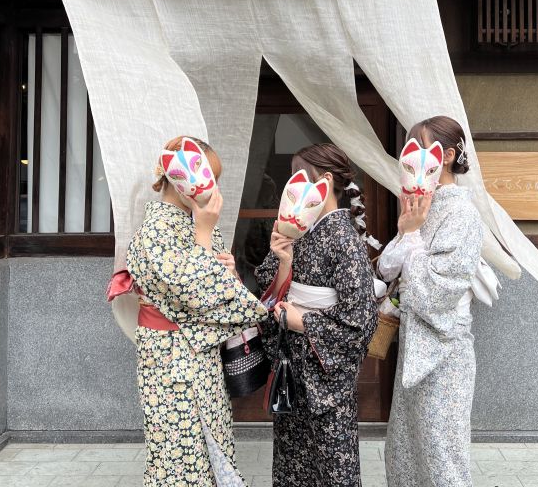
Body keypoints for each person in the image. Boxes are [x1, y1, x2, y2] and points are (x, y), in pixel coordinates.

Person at [126, 136, 267, 487]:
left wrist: (227, 270)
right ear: (180, 177)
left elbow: (218, 289)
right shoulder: (157, 229)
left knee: (209, 449)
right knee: (180, 455)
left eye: (214, 179)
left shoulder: (195, 222)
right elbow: (198, 294)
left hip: (199, 354)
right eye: (208, 177)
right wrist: (203, 235)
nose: (212, 188)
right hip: (172, 356)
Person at [255, 143, 378, 487]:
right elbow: (268, 287)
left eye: (299, 176)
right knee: (293, 463)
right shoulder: (299, 231)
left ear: (324, 181)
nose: (291, 185)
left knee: (332, 466)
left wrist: (303, 321)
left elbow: (361, 319)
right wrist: (283, 262)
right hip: (293, 367)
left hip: (325, 376)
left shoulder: (344, 238)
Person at [378, 116, 482, 487]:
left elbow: (440, 289)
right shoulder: (422, 204)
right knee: (404, 449)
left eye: (419, 148)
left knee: (442, 453)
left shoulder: (463, 213)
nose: (410, 158)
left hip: (445, 348)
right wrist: (408, 231)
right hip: (414, 343)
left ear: (447, 156)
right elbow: (388, 268)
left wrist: (411, 237)